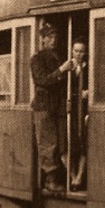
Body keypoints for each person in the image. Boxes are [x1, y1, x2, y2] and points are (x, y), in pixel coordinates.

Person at [31, 24, 71, 191]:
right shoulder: (37, 59)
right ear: (43, 39)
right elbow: (42, 80)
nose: (54, 40)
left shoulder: (59, 57)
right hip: (44, 106)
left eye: (55, 37)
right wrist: (61, 70)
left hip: (59, 106)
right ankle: (50, 180)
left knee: (60, 142)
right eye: (50, 37)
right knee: (48, 143)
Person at [68, 40, 89, 191]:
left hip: (83, 111)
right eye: (76, 51)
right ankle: (72, 176)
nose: (78, 54)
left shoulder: (89, 68)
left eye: (81, 51)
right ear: (71, 51)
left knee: (82, 146)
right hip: (70, 111)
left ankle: (79, 178)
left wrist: (89, 92)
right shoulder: (67, 68)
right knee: (66, 147)